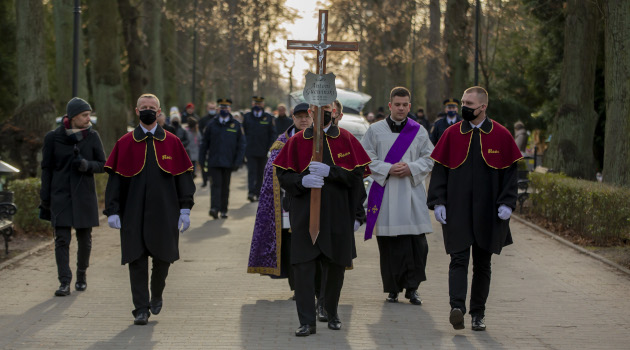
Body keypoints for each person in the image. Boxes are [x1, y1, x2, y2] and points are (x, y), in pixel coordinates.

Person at [427, 86, 522, 332]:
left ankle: (478, 314)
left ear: (483, 107)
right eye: (463, 102)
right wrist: (438, 201)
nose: (464, 107)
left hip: (489, 212)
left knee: (483, 263)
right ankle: (456, 308)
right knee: (458, 259)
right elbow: (440, 171)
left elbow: (511, 173)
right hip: (457, 210)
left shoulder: (501, 135)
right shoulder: (450, 133)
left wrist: (507, 202)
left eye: (469, 103)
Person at [273, 102, 370, 336]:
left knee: (335, 266)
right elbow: (283, 175)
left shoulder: (346, 139)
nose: (323, 112)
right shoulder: (296, 141)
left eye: (327, 107)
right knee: (303, 268)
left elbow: (358, 176)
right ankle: (307, 321)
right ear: (311, 111)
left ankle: (331, 311)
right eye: (318, 107)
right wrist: (301, 181)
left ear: (334, 111)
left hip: (337, 215)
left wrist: (333, 172)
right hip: (304, 216)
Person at [104, 93, 196, 325]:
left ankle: (156, 294)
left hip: (165, 213)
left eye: (151, 107)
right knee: (136, 260)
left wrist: (185, 208)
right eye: (143, 107)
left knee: (163, 259)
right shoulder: (124, 143)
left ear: (159, 111)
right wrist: (112, 210)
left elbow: (184, 178)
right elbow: (115, 181)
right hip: (132, 213)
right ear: (136, 111)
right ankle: (141, 308)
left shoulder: (172, 142)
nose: (147, 110)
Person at [361, 87, 434, 306]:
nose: (401, 108)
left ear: (409, 106)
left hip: (411, 194)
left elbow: (430, 158)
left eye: (405, 105)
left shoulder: (419, 131)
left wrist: (411, 168)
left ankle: (413, 289)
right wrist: (386, 168)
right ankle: (392, 289)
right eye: (397, 104)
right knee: (389, 245)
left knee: (417, 246)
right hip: (386, 195)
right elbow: (365, 157)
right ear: (390, 105)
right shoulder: (374, 130)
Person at [39, 97, 106, 296]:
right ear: (73, 116)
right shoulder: (53, 137)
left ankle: (81, 275)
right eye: (85, 115)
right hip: (60, 196)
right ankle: (64, 281)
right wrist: (45, 196)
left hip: (84, 195)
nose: (88, 119)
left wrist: (87, 165)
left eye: (89, 115)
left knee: (85, 239)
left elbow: (103, 164)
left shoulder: (93, 136)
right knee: (62, 239)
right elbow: (47, 168)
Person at [247, 102, 313, 295]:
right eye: (299, 116)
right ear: (293, 118)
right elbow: (271, 177)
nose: (303, 120)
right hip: (287, 207)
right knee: (292, 248)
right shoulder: (280, 143)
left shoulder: (321, 141)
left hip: (315, 205)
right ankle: (297, 288)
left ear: (313, 117)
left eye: (306, 116)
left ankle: (314, 288)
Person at [199, 98, 245, 219]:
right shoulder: (211, 124)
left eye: (226, 108)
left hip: (228, 161)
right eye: (222, 108)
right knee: (215, 186)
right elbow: (204, 144)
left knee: (225, 187)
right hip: (214, 161)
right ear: (218, 109)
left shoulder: (236, 125)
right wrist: (202, 159)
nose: (224, 110)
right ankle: (214, 208)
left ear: (230, 109)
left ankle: (224, 209)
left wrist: (238, 161)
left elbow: (241, 145)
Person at [243, 96, 277, 202]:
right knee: (251, 172)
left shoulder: (268, 117)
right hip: (251, 150)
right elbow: (244, 133)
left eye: (260, 103)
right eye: (256, 103)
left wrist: (270, 148)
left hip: (263, 151)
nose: (257, 105)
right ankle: (251, 192)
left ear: (263, 104)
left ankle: (258, 193)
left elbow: (272, 134)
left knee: (260, 173)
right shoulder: (247, 116)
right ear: (253, 104)